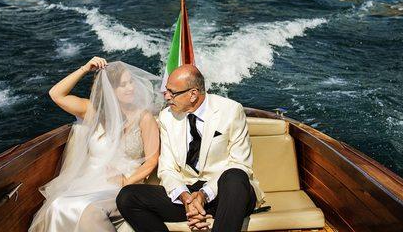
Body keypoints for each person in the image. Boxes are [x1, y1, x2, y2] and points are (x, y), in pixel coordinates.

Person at [116, 64, 264, 232]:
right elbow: (167, 169)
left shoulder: (231, 110)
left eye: (173, 92)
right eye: (166, 91)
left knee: (235, 175)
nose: (167, 97)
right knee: (127, 197)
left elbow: (241, 164)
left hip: (226, 194)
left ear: (193, 94)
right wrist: (186, 198)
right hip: (187, 193)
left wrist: (204, 194)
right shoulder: (167, 117)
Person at [29, 57, 162, 232]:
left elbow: (152, 161)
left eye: (131, 82)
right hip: (89, 180)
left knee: (82, 207)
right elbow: (56, 94)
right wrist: (85, 68)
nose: (131, 87)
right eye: (123, 85)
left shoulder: (144, 117)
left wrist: (127, 181)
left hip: (123, 182)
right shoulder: (93, 111)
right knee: (57, 205)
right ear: (110, 90)